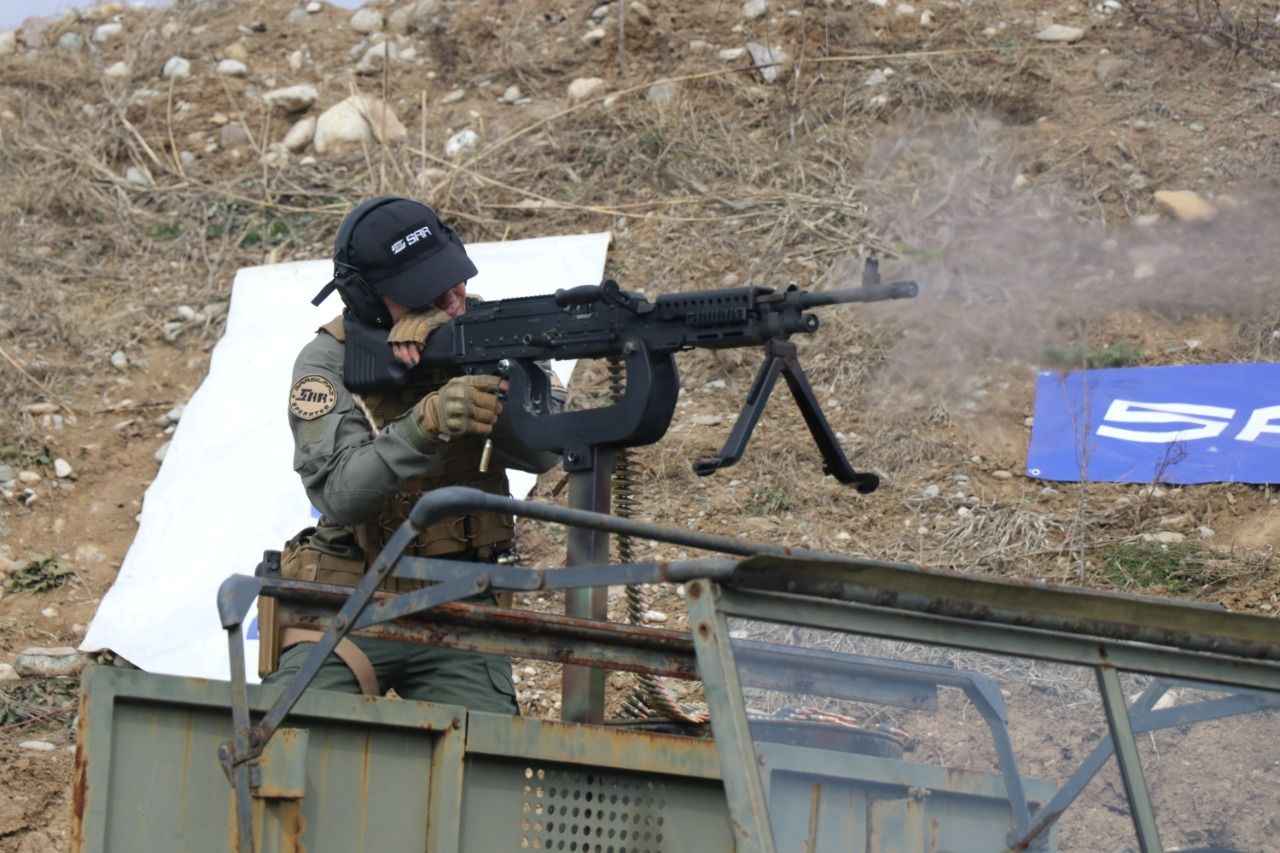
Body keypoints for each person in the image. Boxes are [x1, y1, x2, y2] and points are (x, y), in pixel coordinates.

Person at [259, 196, 563, 713]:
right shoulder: (328, 360)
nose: (451, 300)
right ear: (370, 299)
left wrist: (494, 381)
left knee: (487, 752)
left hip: (457, 597)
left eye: (453, 279)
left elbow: (543, 455)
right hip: (347, 595)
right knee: (284, 733)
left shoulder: (489, 333)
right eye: (424, 292)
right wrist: (427, 423)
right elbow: (339, 494)